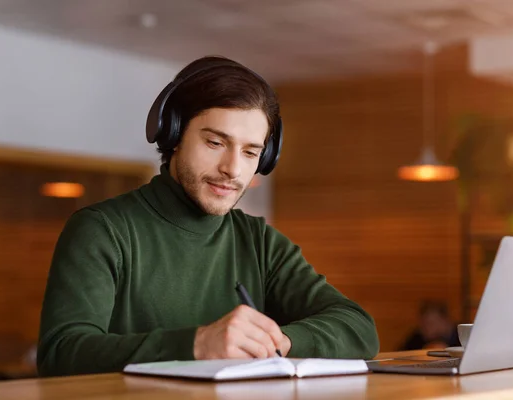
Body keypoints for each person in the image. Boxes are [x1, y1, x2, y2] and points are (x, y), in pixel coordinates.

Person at [36, 56, 379, 377]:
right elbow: (61, 353)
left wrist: (279, 341)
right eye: (215, 142)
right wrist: (197, 345)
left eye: (250, 152)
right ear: (173, 135)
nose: (232, 169)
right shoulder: (101, 230)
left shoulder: (259, 242)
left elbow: (358, 328)